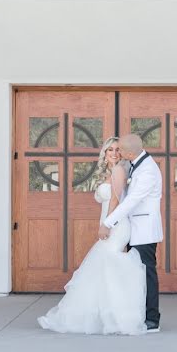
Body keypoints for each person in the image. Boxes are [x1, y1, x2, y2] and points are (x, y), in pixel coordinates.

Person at [37, 137, 147, 335]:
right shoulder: (109, 172)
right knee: (102, 268)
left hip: (117, 225)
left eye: (117, 149)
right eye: (110, 149)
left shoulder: (119, 170)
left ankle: (120, 318)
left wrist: (107, 225)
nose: (114, 153)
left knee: (107, 264)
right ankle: (104, 315)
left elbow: (115, 200)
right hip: (110, 222)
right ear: (104, 153)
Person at [100, 133, 163, 332]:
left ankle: (152, 319)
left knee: (147, 274)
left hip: (144, 230)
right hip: (134, 228)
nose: (118, 153)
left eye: (120, 150)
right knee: (137, 274)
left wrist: (107, 223)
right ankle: (138, 315)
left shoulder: (147, 171)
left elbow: (131, 201)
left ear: (128, 152)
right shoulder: (135, 164)